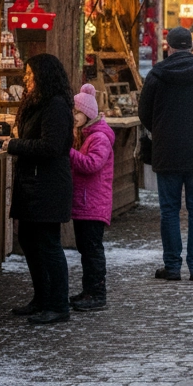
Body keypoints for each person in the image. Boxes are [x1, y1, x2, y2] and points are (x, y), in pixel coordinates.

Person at [139, 25, 193, 282]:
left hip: (167, 152)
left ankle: (173, 266)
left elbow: (144, 113)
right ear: (192, 47)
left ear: (168, 46)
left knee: (169, 210)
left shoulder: (156, 74)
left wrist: (162, 129)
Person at [5, 54, 75, 325]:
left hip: (47, 185)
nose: (26, 79)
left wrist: (13, 145)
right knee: (29, 241)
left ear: (43, 77)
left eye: (31, 75)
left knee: (48, 245)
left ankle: (58, 305)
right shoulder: (36, 104)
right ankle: (42, 297)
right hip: (33, 183)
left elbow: (52, 147)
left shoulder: (55, 106)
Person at [68, 84, 115, 312]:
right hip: (85, 203)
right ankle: (89, 291)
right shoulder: (86, 135)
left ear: (87, 114)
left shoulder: (99, 137)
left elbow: (92, 164)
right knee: (86, 249)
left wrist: (68, 152)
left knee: (92, 249)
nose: (73, 117)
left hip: (93, 204)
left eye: (77, 113)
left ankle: (97, 293)